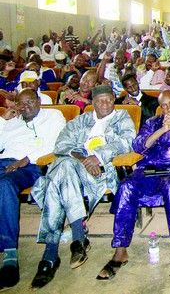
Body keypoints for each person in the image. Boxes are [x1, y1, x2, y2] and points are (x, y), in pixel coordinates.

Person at [29, 85, 135, 290]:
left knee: (57, 180)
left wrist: (98, 157)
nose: (105, 104)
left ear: (114, 99)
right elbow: (61, 144)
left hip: (101, 173)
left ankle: (51, 255)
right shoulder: (81, 120)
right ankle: (76, 240)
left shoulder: (122, 118)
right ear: (92, 103)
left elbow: (127, 142)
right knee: (65, 166)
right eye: (100, 100)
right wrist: (83, 158)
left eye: (108, 100)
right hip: (76, 168)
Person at [98, 91, 170, 280]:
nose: (168, 109)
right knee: (126, 186)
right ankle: (120, 250)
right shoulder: (152, 123)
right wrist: (162, 130)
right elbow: (139, 146)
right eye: (164, 106)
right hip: (151, 168)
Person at [0, 89, 66, 290]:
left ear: (39, 101)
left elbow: (56, 144)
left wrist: (25, 159)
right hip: (5, 162)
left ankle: (9, 254)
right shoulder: (12, 122)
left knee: (4, 184)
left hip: (32, 165)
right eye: (21, 103)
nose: (26, 106)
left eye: (30, 102)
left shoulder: (53, 116)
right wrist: (3, 120)